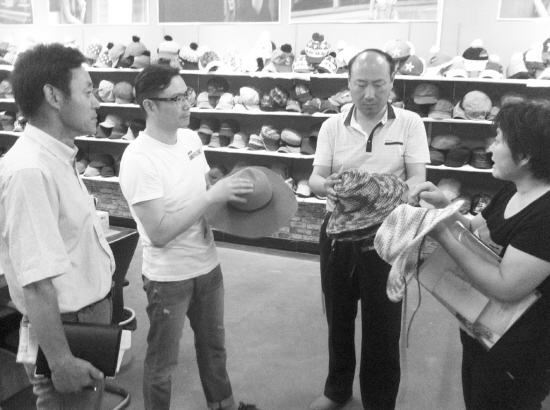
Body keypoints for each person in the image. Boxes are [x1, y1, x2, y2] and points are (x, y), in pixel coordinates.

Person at [118, 64, 258, 410]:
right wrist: (210, 197)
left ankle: (223, 405)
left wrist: (222, 191)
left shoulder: (192, 139)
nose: (187, 104)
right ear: (149, 105)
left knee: (214, 348)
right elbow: (159, 232)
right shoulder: (138, 159)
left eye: (187, 95)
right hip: (169, 278)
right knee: (163, 362)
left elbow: (201, 187)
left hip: (207, 265)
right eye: (176, 98)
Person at [308, 49, 429, 410]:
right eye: (361, 85)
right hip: (338, 235)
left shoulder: (410, 123)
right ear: (348, 83)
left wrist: (383, 194)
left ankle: (379, 401)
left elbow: (418, 178)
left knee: (383, 325)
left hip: (389, 237)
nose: (370, 94)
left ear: (392, 82)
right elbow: (316, 177)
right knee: (339, 318)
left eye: (379, 84)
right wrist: (326, 186)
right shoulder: (332, 126)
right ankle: (337, 390)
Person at [409, 99, 550, 410]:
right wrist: (444, 207)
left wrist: (441, 234)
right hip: (482, 331)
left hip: (518, 352)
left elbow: (506, 286)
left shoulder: (545, 214)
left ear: (524, 155)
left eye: (498, 140)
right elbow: (475, 228)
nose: (489, 149)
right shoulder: (513, 189)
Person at [0, 43, 115, 409]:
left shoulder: (56, 157)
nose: (96, 102)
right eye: (88, 91)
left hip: (83, 320)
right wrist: (61, 361)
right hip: (65, 328)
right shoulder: (30, 171)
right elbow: (37, 282)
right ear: (53, 96)